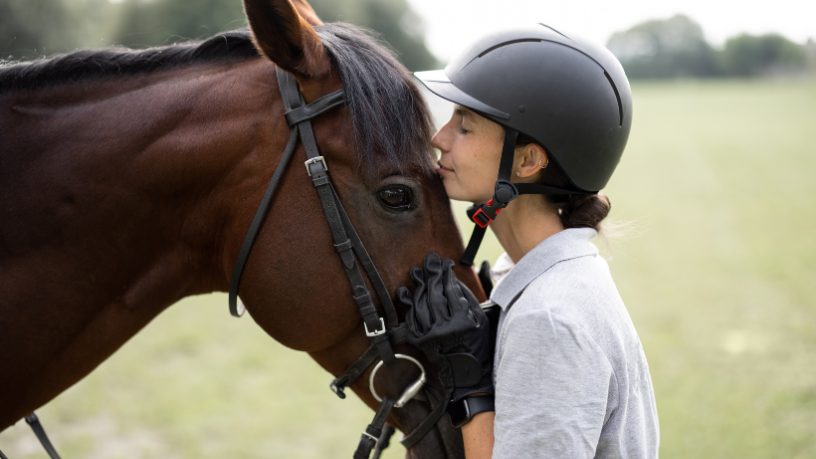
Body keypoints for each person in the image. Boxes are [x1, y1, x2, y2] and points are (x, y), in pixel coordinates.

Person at [399, 24, 659, 458]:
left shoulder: (549, 319)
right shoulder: (545, 277)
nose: (438, 138)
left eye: (465, 126)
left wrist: (470, 387)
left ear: (528, 161)